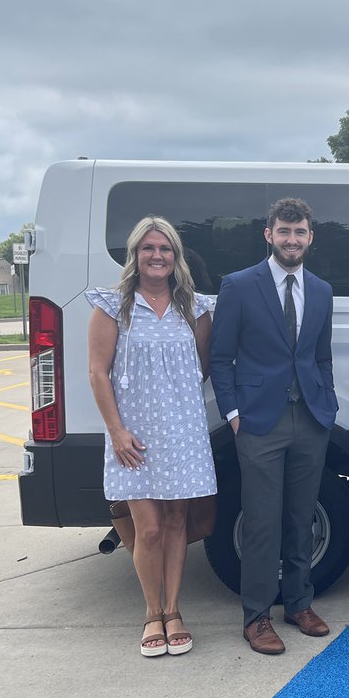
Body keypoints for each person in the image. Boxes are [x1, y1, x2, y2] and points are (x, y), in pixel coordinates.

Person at [209, 197, 338, 655]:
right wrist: (233, 413)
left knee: (301, 517)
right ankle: (257, 616)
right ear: (269, 235)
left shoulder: (321, 290)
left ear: (310, 237)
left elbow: (320, 355)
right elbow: (220, 357)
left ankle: (299, 603)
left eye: (299, 232)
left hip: (311, 417)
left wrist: (329, 401)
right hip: (259, 421)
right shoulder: (240, 286)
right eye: (284, 232)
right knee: (262, 521)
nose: (291, 239)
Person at [85, 216, 216, 657]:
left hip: (183, 432)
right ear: (135, 256)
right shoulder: (113, 306)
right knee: (150, 528)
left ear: (176, 256)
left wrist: (175, 405)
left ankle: (175, 610)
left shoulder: (193, 308)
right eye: (148, 248)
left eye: (165, 248)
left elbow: (203, 367)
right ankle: (151, 613)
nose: (157, 255)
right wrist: (117, 431)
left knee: (178, 524)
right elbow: (97, 373)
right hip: (133, 436)